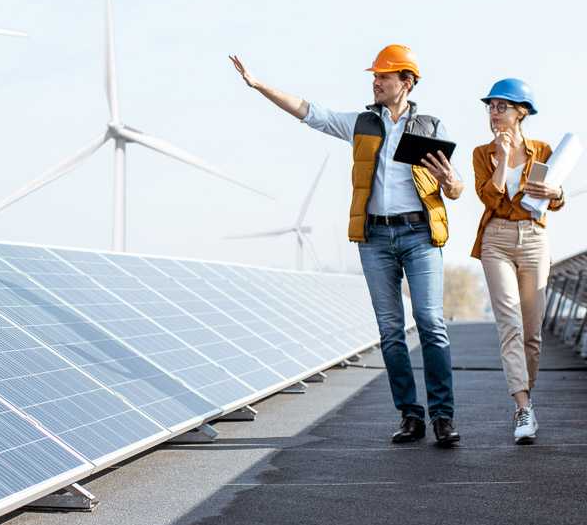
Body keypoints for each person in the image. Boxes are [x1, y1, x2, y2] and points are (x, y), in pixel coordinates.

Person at [230, 45, 464, 446]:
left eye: (383, 77)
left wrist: (450, 183)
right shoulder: (361, 124)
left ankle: (443, 417)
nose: (375, 82)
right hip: (374, 238)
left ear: (406, 82)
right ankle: (411, 415)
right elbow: (309, 112)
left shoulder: (430, 126)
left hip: (420, 236)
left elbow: (456, 187)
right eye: (374, 76)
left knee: (430, 323)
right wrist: (257, 85)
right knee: (391, 330)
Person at [471, 79, 565, 444]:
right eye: (491, 107)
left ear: (521, 112)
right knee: (508, 322)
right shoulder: (483, 153)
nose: (494, 113)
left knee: (532, 333)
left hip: (534, 240)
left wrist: (556, 192)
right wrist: (504, 159)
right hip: (495, 239)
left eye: (502, 106)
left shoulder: (542, 149)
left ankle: (528, 396)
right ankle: (522, 407)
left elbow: (554, 201)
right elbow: (490, 200)